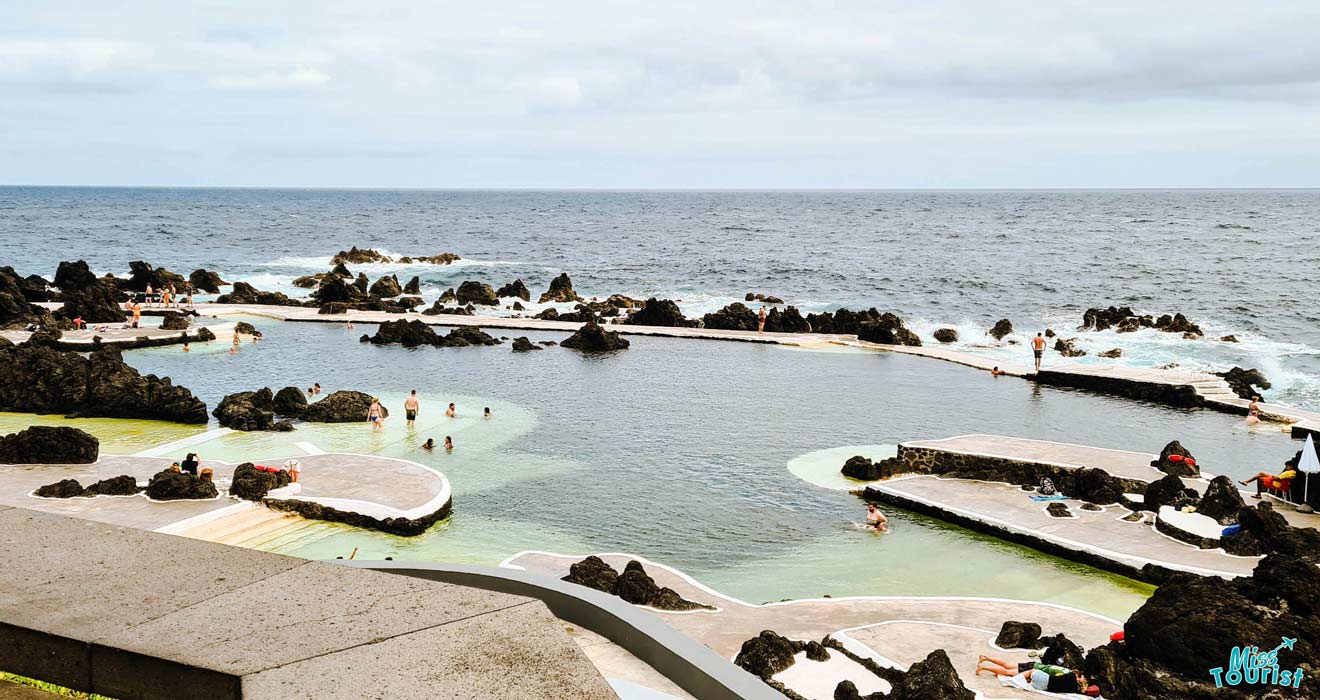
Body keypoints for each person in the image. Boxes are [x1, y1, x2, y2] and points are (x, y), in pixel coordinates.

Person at [975, 656, 1088, 695]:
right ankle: (984, 667)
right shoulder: (1067, 675)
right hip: (1034, 668)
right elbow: (1055, 679)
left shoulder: (1067, 671)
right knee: (1007, 671)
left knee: (1007, 666)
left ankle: (986, 658)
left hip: (1036, 665)